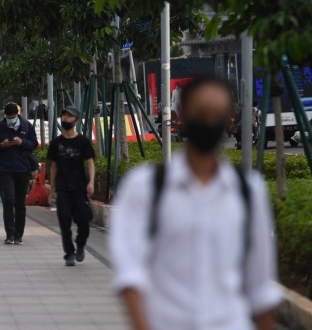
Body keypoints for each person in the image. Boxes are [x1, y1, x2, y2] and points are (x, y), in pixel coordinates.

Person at [110, 76, 282, 330]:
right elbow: (130, 272)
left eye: (218, 115)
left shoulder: (248, 191)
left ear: (230, 121)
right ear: (181, 116)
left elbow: (261, 284)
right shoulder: (145, 187)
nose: (209, 122)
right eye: (201, 113)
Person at [47, 106, 95, 266]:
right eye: (64, 116)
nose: (66, 119)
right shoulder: (56, 143)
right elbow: (53, 167)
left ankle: (80, 244)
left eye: (69, 116)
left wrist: (91, 182)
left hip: (80, 188)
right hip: (62, 188)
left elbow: (90, 162)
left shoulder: (83, 142)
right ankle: (69, 253)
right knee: (64, 220)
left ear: (76, 120)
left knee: (84, 221)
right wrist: (52, 189)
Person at [0, 102, 38, 245]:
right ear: (5, 115)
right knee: (8, 201)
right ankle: (9, 234)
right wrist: (1, 145)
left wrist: (22, 142)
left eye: (13, 116)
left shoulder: (26, 126)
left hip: (23, 170)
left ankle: (18, 235)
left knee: (20, 204)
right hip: (5, 170)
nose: (11, 119)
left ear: (17, 114)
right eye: (8, 116)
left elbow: (34, 144)